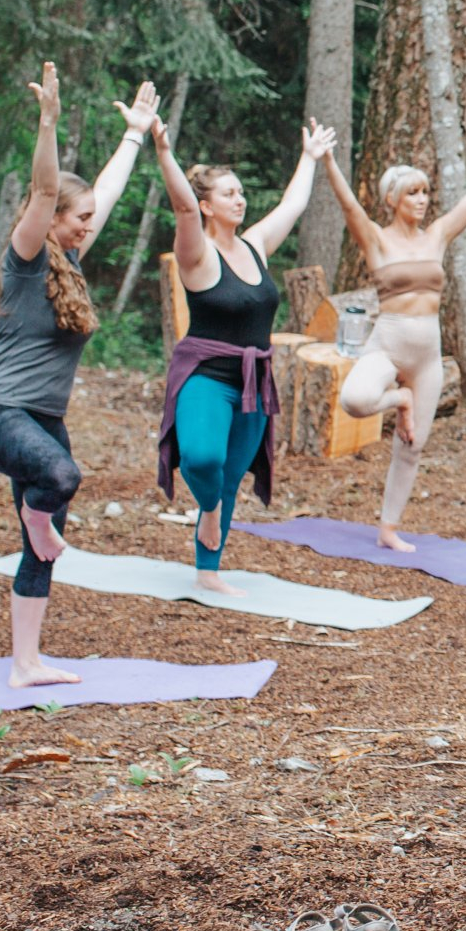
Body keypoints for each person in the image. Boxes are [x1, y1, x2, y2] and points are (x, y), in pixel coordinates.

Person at [0, 62, 159, 686]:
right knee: (58, 478)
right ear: (49, 220)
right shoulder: (25, 257)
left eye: (87, 219)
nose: (87, 223)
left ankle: (25, 663)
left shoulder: (70, 264)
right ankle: (35, 514)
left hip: (43, 417)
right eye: (79, 219)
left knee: (41, 545)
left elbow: (106, 190)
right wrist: (48, 123)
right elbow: (48, 191)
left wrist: (134, 134)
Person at [319, 109, 466, 550]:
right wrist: (327, 161)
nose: (422, 199)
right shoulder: (377, 239)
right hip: (388, 343)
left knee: (413, 446)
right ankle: (399, 399)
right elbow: (348, 205)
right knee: (356, 399)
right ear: (394, 199)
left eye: (425, 192)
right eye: (413, 193)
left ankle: (388, 529)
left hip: (427, 354)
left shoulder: (436, 235)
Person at [150, 116, 336, 592]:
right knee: (202, 457)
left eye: (241, 192)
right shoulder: (197, 254)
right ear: (207, 205)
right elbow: (182, 210)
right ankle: (208, 510)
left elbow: (293, 205)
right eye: (229, 194)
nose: (240, 199)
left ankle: (208, 570)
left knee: (231, 474)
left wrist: (310, 157)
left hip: (254, 383)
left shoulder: (254, 247)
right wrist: (164, 151)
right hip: (207, 378)